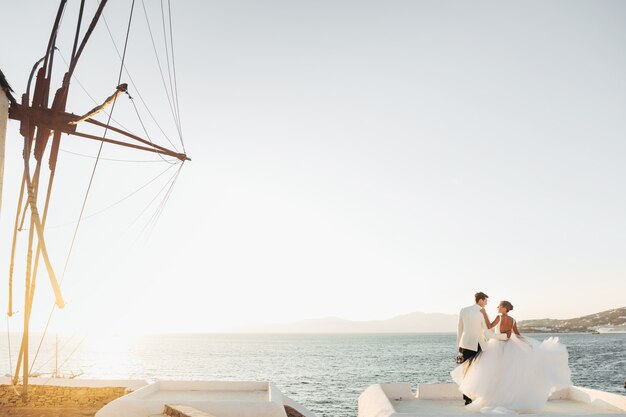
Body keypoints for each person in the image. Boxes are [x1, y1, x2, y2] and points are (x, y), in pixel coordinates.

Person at [451, 300, 572, 413]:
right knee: (507, 374)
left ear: (504, 308)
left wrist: (484, 313)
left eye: (499, 306)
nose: (497, 307)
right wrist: (527, 344)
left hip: (497, 346)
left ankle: (495, 398)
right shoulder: (513, 320)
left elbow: (488, 326)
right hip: (510, 346)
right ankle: (507, 399)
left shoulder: (498, 317)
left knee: (495, 373)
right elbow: (517, 335)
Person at [456, 291, 490, 405]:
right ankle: (478, 396)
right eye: (485, 300)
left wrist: (459, 345)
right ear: (480, 300)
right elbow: (486, 331)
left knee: (466, 371)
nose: (486, 303)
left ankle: (467, 398)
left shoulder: (464, 310)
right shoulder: (482, 312)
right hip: (479, 344)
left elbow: (459, 329)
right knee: (480, 371)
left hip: (465, 344)